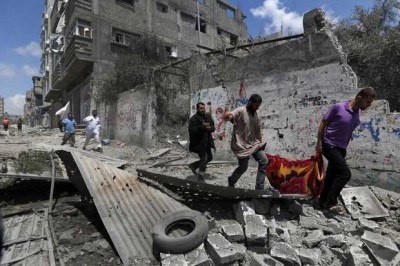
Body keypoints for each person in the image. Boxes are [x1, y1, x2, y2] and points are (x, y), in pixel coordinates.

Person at [316, 87, 376, 211]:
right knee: (345, 174)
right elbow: (323, 123)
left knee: (331, 176)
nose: (368, 105)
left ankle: (322, 203)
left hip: (341, 148)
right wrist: (319, 143)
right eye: (367, 102)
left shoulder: (356, 113)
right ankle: (331, 202)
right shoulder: (338, 107)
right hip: (329, 145)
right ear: (359, 97)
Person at [224, 94, 270, 190]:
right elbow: (231, 116)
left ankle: (259, 188)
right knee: (243, 168)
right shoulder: (241, 110)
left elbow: (257, 128)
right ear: (250, 103)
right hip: (242, 145)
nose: (257, 107)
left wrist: (261, 142)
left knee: (264, 161)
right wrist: (227, 116)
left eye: (258, 105)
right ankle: (231, 180)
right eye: (256, 105)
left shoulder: (257, 113)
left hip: (254, 143)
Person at [188, 102, 216, 181]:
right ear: (197, 109)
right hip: (198, 143)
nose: (203, 110)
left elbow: (213, 128)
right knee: (204, 159)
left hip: (207, 142)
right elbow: (192, 130)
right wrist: (202, 127)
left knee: (209, 158)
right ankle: (200, 177)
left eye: (203, 108)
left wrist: (209, 128)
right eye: (201, 108)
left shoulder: (208, 117)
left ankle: (193, 165)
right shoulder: (193, 119)